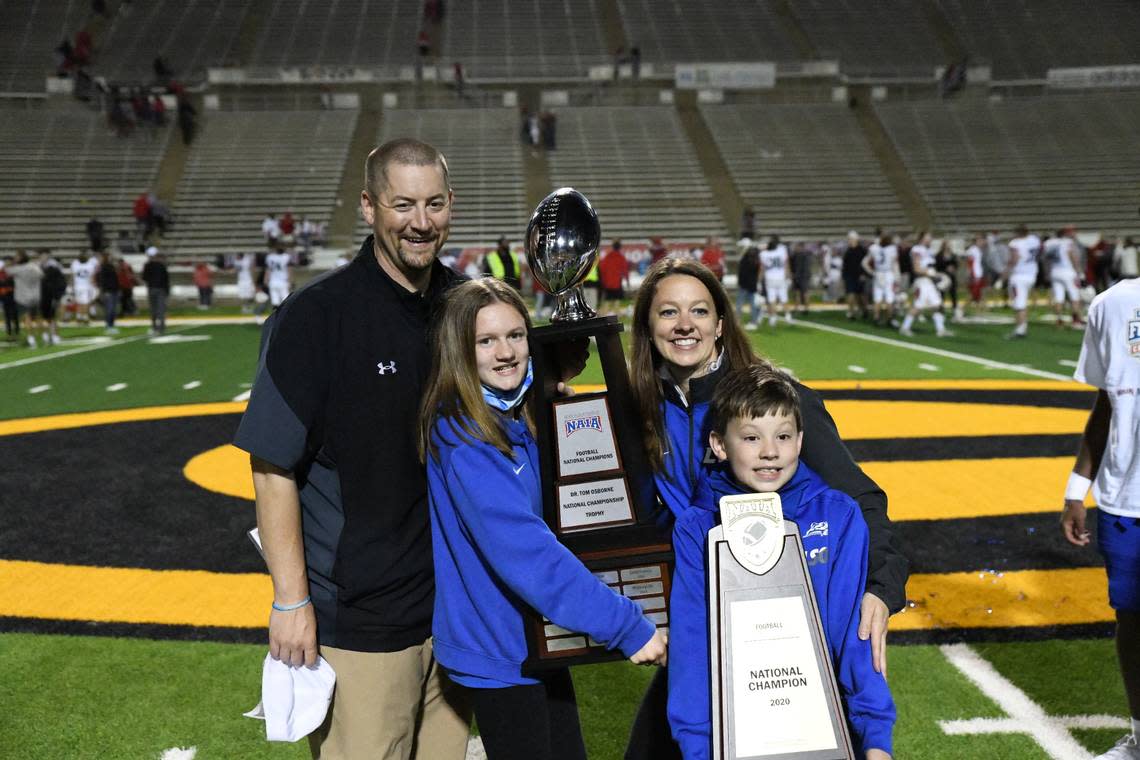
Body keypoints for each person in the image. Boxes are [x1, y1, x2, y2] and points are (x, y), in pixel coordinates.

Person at [234, 138, 471, 759]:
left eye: (435, 204)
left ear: (452, 206)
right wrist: (290, 601)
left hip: (457, 614)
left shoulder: (467, 308)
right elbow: (271, 466)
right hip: (362, 624)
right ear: (369, 207)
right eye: (403, 205)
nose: (421, 222)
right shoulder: (318, 316)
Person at [623, 259, 908, 760]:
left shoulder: (769, 400)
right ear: (648, 327)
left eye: (699, 311)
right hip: (707, 612)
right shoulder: (637, 408)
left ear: (720, 324)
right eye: (668, 312)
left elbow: (858, 501)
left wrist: (881, 589)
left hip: (795, 615)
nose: (684, 324)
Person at [420, 278, 667, 760]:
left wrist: (562, 421)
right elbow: (528, 554)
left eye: (515, 336)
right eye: (485, 340)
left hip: (539, 639)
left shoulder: (518, 416)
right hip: (501, 651)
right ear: (460, 351)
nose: (506, 352)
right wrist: (625, 624)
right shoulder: (463, 436)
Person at [668, 366, 895, 759]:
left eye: (783, 437)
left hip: (825, 732)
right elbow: (692, 646)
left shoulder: (838, 515)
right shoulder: (697, 528)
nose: (770, 451)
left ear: (801, 440)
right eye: (751, 438)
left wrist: (876, 740)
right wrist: (697, 746)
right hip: (733, 738)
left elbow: (852, 635)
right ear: (719, 445)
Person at [1061, 276, 1140, 760]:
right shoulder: (1111, 304)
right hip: (1125, 500)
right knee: (1132, 621)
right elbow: (1108, 401)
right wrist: (1077, 487)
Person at [898, 233, 951, 338]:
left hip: (929, 282)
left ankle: (941, 330)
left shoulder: (929, 251)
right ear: (922, 239)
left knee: (938, 305)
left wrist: (937, 275)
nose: (930, 240)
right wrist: (929, 273)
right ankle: (904, 328)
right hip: (922, 281)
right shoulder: (917, 249)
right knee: (918, 306)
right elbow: (916, 268)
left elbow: (931, 268)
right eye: (928, 238)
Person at [1003, 224, 1041, 339]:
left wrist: (1005, 271)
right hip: (1032, 274)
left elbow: (1015, 258)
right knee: (1022, 301)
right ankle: (1022, 327)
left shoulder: (1015, 243)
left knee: (1019, 303)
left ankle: (1021, 329)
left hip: (1019, 275)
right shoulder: (1034, 240)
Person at [1044, 227, 1086, 328]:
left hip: (1054, 271)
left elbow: (1046, 259)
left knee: (1059, 297)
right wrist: (1079, 271)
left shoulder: (1049, 243)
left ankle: (1059, 320)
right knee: (1074, 296)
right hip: (1067, 271)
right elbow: (1072, 256)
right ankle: (1076, 320)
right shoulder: (1067, 242)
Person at [862, 234, 899, 327]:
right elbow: (895, 263)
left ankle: (876, 318)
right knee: (889, 298)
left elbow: (864, 263)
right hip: (888, 274)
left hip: (878, 274)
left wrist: (872, 272)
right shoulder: (892, 249)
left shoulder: (874, 248)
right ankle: (890, 319)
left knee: (877, 298)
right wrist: (897, 277)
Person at [10, 251, 44, 347]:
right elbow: (41, 275)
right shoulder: (34, 267)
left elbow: (6, 271)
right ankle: (41, 337)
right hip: (36, 295)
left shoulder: (17, 269)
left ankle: (31, 338)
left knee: (27, 318)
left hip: (23, 297)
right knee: (38, 317)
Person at [760, 235, 790, 327]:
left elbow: (763, 268)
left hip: (770, 278)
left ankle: (773, 318)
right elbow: (786, 263)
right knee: (783, 297)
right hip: (780, 277)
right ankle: (788, 316)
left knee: (772, 298)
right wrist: (787, 275)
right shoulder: (782, 250)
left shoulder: (764, 254)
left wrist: (759, 280)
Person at [141, 246, 169, 335]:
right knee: (161, 309)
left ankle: (154, 327)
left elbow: (144, 278)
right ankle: (161, 328)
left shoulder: (147, 265)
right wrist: (167, 290)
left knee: (153, 309)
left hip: (152, 289)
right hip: (161, 289)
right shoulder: (161, 265)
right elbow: (166, 279)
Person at [39, 254, 66, 345]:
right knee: (47, 317)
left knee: (50, 317)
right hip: (45, 297)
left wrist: (57, 296)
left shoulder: (52, 271)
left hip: (49, 296)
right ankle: (49, 335)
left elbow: (61, 284)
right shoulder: (40, 269)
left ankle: (52, 335)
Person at [598, 239, 630, 316]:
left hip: (607, 283)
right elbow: (625, 270)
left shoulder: (607, 257)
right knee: (617, 299)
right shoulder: (621, 258)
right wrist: (627, 281)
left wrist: (603, 280)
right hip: (617, 283)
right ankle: (617, 314)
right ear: (620, 247)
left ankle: (603, 314)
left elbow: (602, 268)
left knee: (607, 300)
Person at [735, 237, 761, 331]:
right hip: (751, 284)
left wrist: (741, 282)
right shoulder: (753, 255)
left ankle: (741, 322)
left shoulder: (747, 256)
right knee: (752, 303)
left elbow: (744, 272)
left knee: (742, 303)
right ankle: (753, 321)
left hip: (746, 284)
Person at [842, 231, 867, 320]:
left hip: (859, 276)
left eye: (850, 239)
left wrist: (864, 274)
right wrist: (844, 276)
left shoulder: (862, 250)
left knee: (860, 295)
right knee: (850, 293)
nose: (849, 241)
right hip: (849, 276)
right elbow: (845, 265)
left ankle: (864, 310)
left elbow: (866, 264)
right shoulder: (848, 251)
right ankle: (851, 312)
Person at [70, 250, 98, 326]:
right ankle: (85, 318)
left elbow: (72, 276)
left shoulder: (75, 264)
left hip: (78, 286)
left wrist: (72, 286)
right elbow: (92, 277)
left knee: (80, 302)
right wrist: (94, 286)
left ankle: (79, 317)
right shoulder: (90, 265)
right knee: (85, 302)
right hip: (85, 286)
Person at [96, 252, 120, 333]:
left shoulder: (111, 266)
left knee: (113, 310)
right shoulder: (103, 267)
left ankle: (111, 325)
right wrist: (104, 291)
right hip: (108, 291)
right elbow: (102, 281)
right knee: (109, 309)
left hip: (114, 290)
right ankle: (108, 326)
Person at [964, 234, 987, 314]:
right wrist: (971, 275)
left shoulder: (978, 250)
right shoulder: (972, 250)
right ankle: (962, 310)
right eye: (980, 240)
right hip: (975, 275)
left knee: (981, 292)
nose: (982, 242)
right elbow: (970, 263)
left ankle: (980, 311)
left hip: (979, 274)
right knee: (973, 294)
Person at [0, 257, 17, 340]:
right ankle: (9, 333)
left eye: (9, 262)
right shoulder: (2, 272)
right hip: (5, 296)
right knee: (7, 315)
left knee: (15, 314)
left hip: (14, 295)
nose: (7, 263)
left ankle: (16, 332)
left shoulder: (14, 271)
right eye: (6, 262)